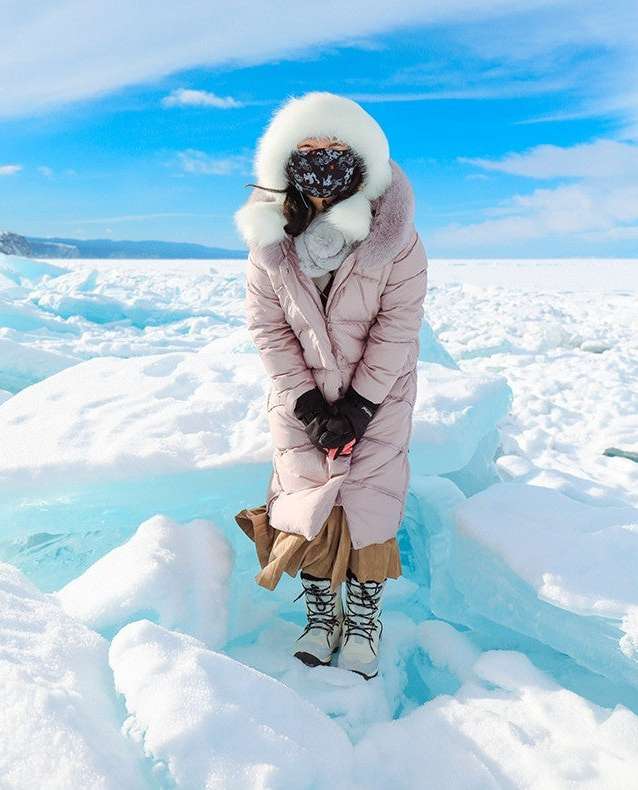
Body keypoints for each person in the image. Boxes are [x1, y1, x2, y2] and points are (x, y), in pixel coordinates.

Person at [233, 91, 428, 680]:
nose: (322, 160)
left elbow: (400, 323)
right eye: (309, 148)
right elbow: (267, 327)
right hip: (301, 402)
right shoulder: (269, 240)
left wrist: (362, 403)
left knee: (370, 503)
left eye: (336, 148)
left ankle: (364, 618)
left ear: (361, 158)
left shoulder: (396, 237)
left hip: (381, 397)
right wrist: (308, 403)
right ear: (285, 159)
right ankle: (322, 617)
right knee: (306, 500)